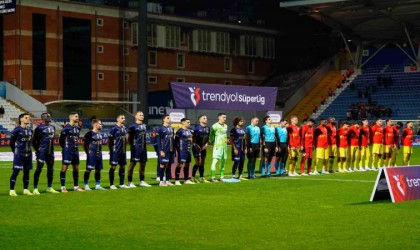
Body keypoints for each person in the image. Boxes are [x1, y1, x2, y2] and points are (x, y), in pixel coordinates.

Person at [32, 113, 59, 194]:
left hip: (50, 152)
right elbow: (34, 141)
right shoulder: (39, 128)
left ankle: (49, 187)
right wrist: (38, 150)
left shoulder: (53, 127)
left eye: (50, 116)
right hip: (42, 152)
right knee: (39, 169)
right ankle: (35, 188)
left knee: (51, 169)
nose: (49, 117)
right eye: (47, 116)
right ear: (42, 118)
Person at [59, 112, 86, 193]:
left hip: (75, 150)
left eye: (78, 116)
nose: (78, 117)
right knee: (65, 168)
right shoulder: (66, 128)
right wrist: (65, 148)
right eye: (76, 116)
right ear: (71, 118)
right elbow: (61, 140)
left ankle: (76, 186)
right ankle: (63, 187)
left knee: (76, 168)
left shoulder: (77, 127)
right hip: (67, 150)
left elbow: (77, 138)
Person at [9, 113, 34, 196]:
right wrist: (15, 151)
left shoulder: (30, 130)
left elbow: (31, 141)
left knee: (27, 172)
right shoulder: (16, 130)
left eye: (29, 118)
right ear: (21, 120)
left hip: (28, 154)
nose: (28, 119)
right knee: (16, 172)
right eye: (26, 117)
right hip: (19, 155)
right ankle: (12, 190)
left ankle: (25, 189)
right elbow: (11, 142)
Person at [127, 111, 151, 187]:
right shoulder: (132, 126)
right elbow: (128, 137)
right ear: (136, 116)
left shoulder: (144, 125)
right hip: (136, 148)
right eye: (140, 115)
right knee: (132, 164)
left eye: (142, 115)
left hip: (144, 148)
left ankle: (142, 181)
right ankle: (130, 182)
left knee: (143, 164)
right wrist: (132, 145)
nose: (142, 116)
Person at [83, 119, 106, 191]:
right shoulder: (89, 134)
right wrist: (88, 153)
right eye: (100, 124)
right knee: (88, 169)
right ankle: (86, 185)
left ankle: (97, 185)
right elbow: (85, 144)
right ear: (96, 125)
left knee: (98, 170)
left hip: (99, 154)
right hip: (92, 154)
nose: (101, 125)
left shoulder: (101, 134)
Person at [107, 114, 129, 189]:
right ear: (118, 119)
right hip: (115, 151)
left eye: (124, 118)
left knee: (122, 166)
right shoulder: (114, 129)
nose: (124, 119)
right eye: (122, 118)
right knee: (113, 166)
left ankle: (121, 183)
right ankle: (111, 184)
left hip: (123, 151)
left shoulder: (125, 128)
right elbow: (109, 140)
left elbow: (126, 139)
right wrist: (111, 149)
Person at [156, 114, 175, 186]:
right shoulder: (160, 129)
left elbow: (172, 139)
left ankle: (167, 180)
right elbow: (158, 141)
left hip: (171, 150)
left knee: (169, 165)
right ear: (163, 120)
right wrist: (161, 150)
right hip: (164, 150)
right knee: (162, 165)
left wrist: (174, 149)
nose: (169, 119)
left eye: (169, 118)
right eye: (168, 118)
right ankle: (161, 181)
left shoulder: (171, 128)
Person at [174, 118, 195, 185]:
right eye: (188, 122)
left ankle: (186, 179)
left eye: (189, 122)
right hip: (182, 150)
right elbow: (175, 142)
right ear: (183, 123)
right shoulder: (179, 131)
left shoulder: (189, 131)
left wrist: (191, 140)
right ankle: (177, 180)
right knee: (180, 164)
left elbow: (190, 139)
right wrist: (177, 150)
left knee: (187, 164)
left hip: (188, 150)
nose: (189, 123)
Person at [209, 113, 228, 182]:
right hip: (217, 146)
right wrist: (212, 143)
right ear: (219, 117)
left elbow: (224, 135)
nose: (225, 119)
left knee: (223, 161)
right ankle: (213, 177)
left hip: (224, 147)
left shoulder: (226, 126)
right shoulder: (214, 126)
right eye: (223, 117)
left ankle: (222, 177)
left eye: (225, 117)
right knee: (215, 160)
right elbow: (211, 135)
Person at [191, 115, 210, 183]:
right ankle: (193, 177)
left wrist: (206, 144)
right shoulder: (196, 128)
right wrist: (195, 144)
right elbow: (191, 137)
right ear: (200, 120)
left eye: (206, 118)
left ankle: (202, 178)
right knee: (197, 162)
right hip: (196, 147)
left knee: (202, 163)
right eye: (204, 118)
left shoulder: (208, 128)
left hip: (203, 148)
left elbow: (208, 138)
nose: (206, 119)